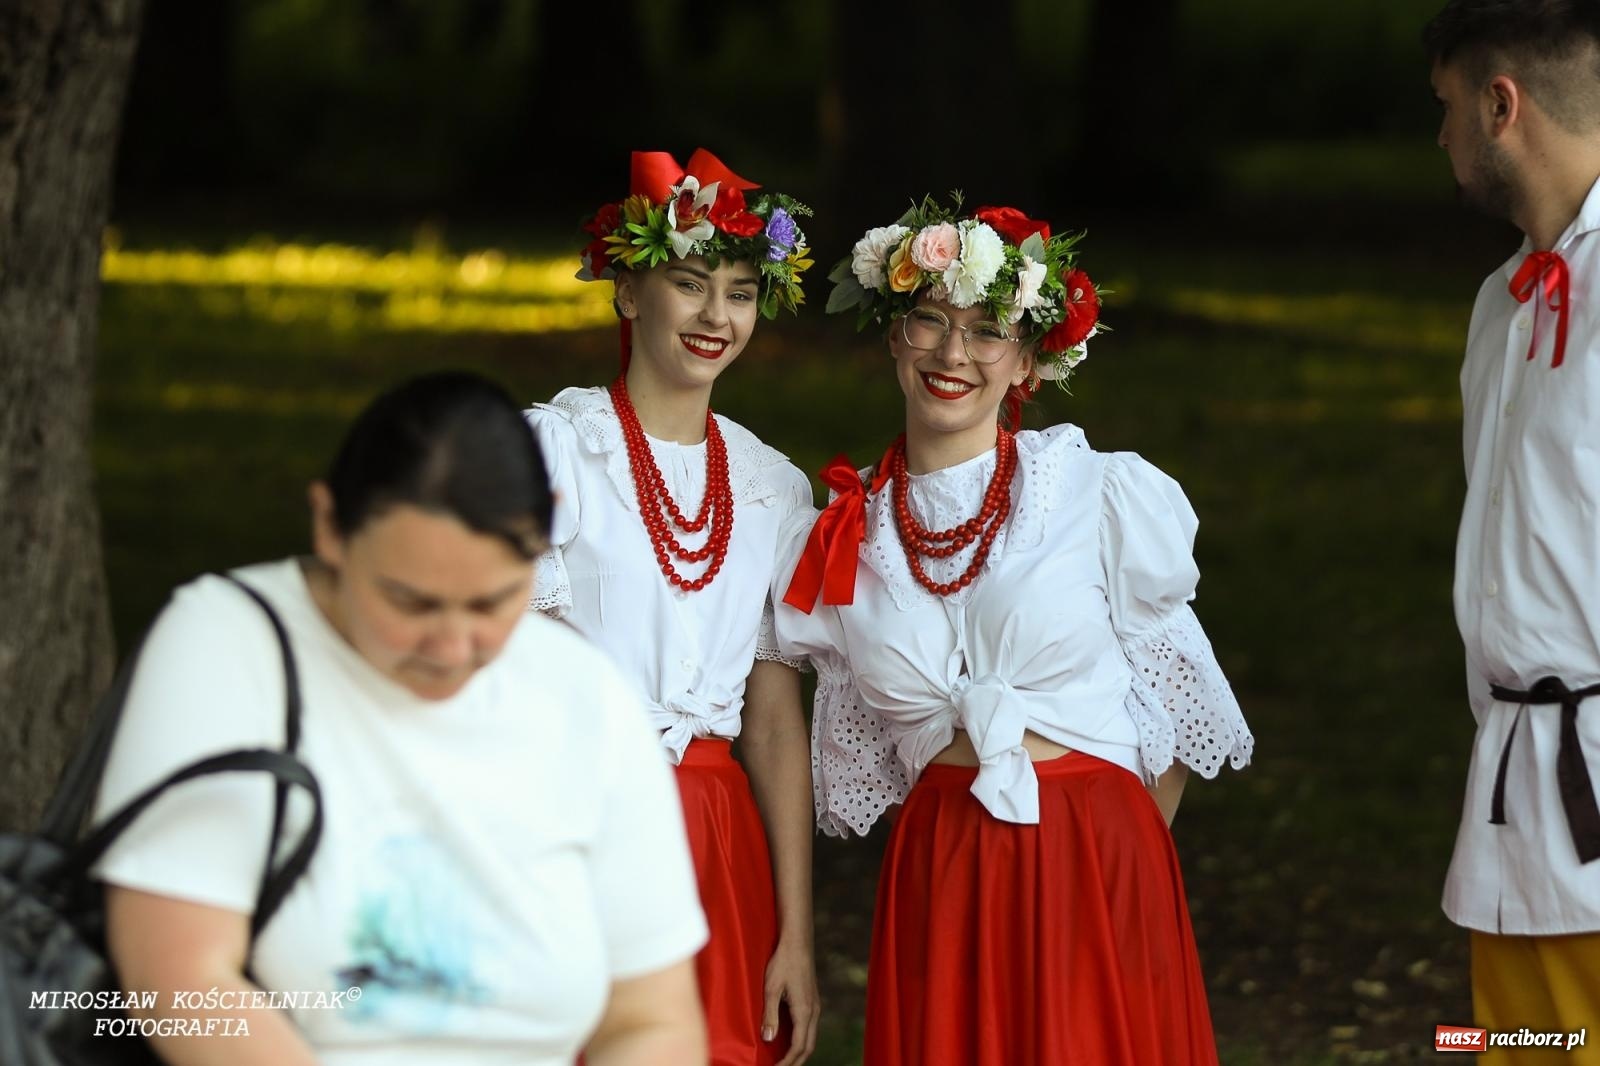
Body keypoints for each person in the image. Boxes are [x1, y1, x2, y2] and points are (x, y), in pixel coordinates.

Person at [93, 371, 709, 1066]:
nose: (451, 648)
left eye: (490, 604)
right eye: (410, 602)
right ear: (330, 526)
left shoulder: (584, 693)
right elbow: (180, 980)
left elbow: (651, 1023)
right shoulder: (227, 641)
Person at [776, 198, 1254, 1065]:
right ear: (894, 335)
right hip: (945, 875)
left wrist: (1114, 870)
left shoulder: (1088, 489)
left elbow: (1185, 713)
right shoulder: (848, 538)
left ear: (1026, 358)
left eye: (987, 330)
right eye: (930, 320)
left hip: (1095, 855)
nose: (953, 354)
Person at [525, 148, 819, 1066]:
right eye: (690, 285)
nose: (715, 316)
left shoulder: (772, 487)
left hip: (717, 842)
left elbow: (772, 727)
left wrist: (796, 937)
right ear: (626, 293)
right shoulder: (558, 451)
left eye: (739, 292)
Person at [1427, 1, 1600, 1054]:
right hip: (1505, 788)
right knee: (1511, 1051)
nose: (1437, 139)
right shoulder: (1499, 302)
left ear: (1501, 106)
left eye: (1443, 110)